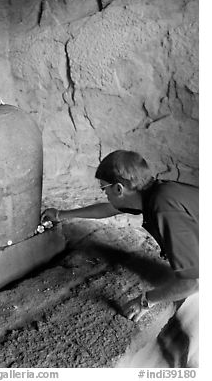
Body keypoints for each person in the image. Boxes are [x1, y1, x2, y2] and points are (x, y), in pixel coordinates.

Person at [41, 150, 199, 367]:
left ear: (118, 188)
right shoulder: (155, 191)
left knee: (194, 328)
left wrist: (146, 300)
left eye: (103, 188)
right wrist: (61, 214)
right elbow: (108, 209)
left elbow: (191, 282)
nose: (103, 193)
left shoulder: (164, 207)